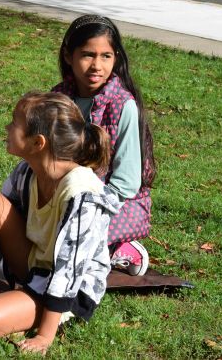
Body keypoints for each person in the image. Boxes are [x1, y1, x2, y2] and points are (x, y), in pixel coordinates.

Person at [0, 92, 120, 355]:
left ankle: (26, 311)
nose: (7, 127)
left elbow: (69, 270)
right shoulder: (27, 171)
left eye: (14, 122)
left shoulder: (82, 195)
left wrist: (45, 336)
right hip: (34, 265)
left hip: (69, 290)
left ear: (37, 142)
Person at [52, 15, 157, 276]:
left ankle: (123, 249)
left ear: (116, 58)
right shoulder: (57, 99)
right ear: (68, 56)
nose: (96, 65)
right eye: (88, 55)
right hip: (62, 195)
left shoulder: (123, 106)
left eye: (106, 56)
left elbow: (127, 182)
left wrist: (87, 211)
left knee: (66, 241)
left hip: (113, 204)